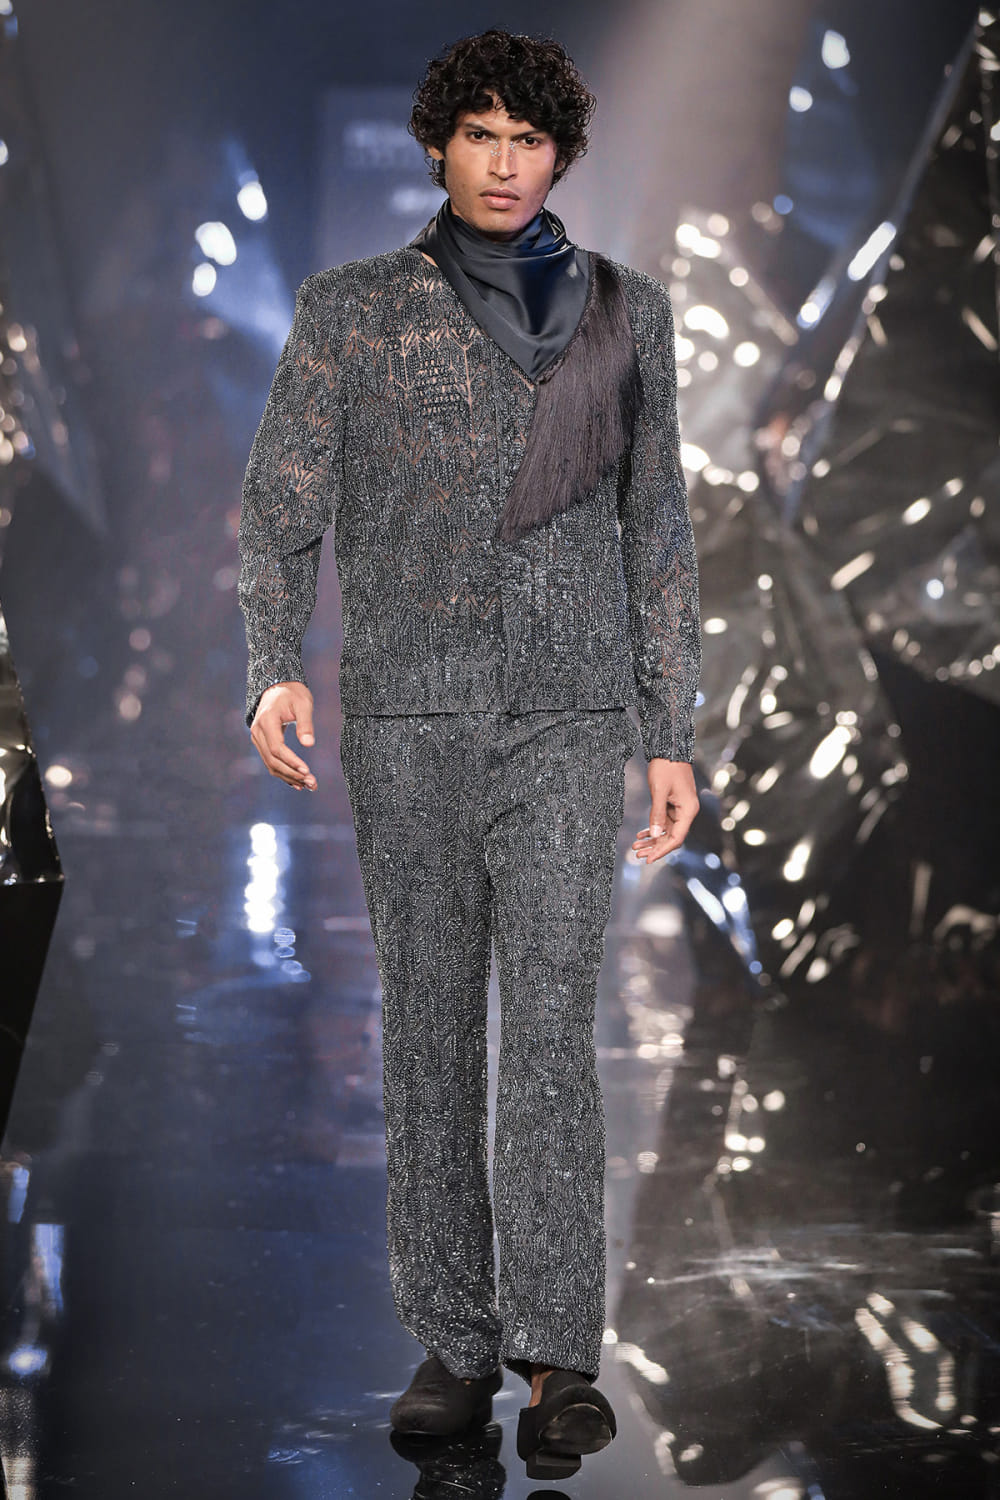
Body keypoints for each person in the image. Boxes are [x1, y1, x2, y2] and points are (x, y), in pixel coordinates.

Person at [237, 27, 701, 1479]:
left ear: (561, 155)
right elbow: (282, 500)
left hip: (570, 720)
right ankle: (451, 1339)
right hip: (408, 718)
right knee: (431, 1027)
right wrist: (270, 663)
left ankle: (558, 1358)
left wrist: (670, 730)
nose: (504, 164)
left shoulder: (627, 314)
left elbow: (658, 530)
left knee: (551, 1032)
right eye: (480, 135)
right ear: (439, 145)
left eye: (529, 139)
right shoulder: (354, 311)